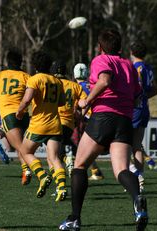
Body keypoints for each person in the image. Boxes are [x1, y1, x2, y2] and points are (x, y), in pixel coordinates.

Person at [59, 29, 148, 231]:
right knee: (121, 170)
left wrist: (86, 102)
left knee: (79, 166)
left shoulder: (101, 60)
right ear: (120, 46)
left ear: (100, 47)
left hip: (104, 118)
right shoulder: (129, 65)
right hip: (124, 120)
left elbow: (105, 80)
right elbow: (137, 98)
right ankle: (138, 202)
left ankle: (74, 218)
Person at [16, 51, 67, 202]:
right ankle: (62, 188)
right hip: (55, 124)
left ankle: (42, 176)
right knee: (54, 157)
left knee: (25, 151)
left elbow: (26, 100)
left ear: (35, 65)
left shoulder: (35, 79)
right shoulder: (57, 81)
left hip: (39, 124)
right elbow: (62, 102)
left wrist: (19, 112)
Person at [0, 49, 32, 185]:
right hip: (23, 115)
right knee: (21, 146)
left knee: (21, 148)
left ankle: (31, 170)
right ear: (21, 62)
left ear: (7, 62)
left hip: (9, 116)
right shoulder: (26, 76)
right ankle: (25, 171)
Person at [48, 60, 87, 194]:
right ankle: (67, 158)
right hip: (69, 124)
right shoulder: (74, 85)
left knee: (51, 156)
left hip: (53, 123)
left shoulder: (52, 83)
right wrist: (81, 116)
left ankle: (60, 186)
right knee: (57, 153)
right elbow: (85, 103)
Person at [129, 41, 157, 192]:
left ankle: (134, 176)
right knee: (137, 146)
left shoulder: (135, 68)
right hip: (144, 110)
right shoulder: (148, 67)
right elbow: (154, 90)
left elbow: (137, 87)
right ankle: (138, 180)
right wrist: (143, 98)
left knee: (122, 144)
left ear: (131, 52)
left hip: (134, 110)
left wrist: (135, 98)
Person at [72, 63, 105, 181]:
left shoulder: (75, 87)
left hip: (86, 119)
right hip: (99, 117)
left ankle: (92, 171)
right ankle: (95, 171)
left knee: (80, 146)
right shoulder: (92, 85)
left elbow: (77, 106)